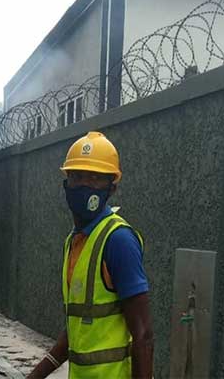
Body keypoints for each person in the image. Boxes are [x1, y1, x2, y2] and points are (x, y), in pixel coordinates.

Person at [27, 132, 153, 379]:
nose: (84, 185)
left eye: (95, 178)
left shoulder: (118, 240)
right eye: (77, 177)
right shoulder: (74, 242)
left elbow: (143, 334)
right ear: (66, 185)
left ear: (112, 188)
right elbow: (78, 332)